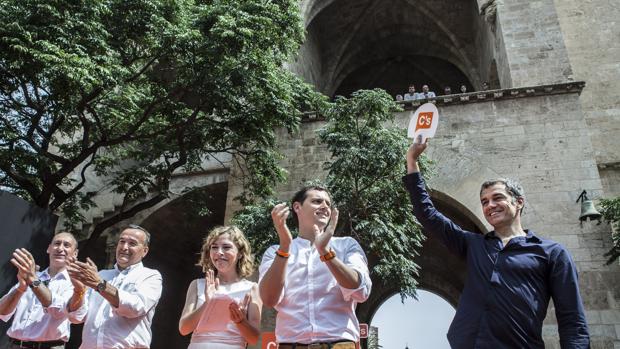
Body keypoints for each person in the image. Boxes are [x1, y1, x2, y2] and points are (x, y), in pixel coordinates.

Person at [403, 137, 590, 348]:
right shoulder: (473, 245)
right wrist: (412, 160)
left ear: (518, 202)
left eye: (497, 198)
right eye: (484, 202)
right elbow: (427, 214)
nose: (490, 205)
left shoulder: (552, 253)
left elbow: (572, 321)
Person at [259, 185, 372, 348]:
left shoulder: (347, 245)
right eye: (317, 201)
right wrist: (284, 247)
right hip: (291, 344)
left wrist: (326, 253)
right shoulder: (274, 252)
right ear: (297, 207)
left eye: (328, 203)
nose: (325, 206)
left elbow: (361, 290)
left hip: (339, 344)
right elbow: (269, 299)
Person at [67, 224, 163, 349]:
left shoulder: (150, 276)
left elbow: (135, 308)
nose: (124, 247)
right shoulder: (101, 275)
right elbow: (77, 317)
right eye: (121, 241)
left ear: (144, 251)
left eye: (132, 243)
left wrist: (100, 285)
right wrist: (78, 290)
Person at [179, 226, 262, 349]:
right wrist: (207, 303)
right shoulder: (197, 285)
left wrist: (240, 321)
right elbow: (184, 329)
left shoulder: (252, 288)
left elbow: (254, 339)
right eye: (214, 247)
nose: (219, 252)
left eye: (226, 247)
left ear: (240, 253)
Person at [0, 232, 78, 349]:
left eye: (66, 245)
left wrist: (33, 280)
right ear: (49, 248)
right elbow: (2, 312)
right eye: (57, 243)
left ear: (75, 253)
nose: (60, 248)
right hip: (14, 345)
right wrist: (20, 289)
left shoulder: (74, 284)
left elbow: (59, 311)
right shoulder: (31, 276)